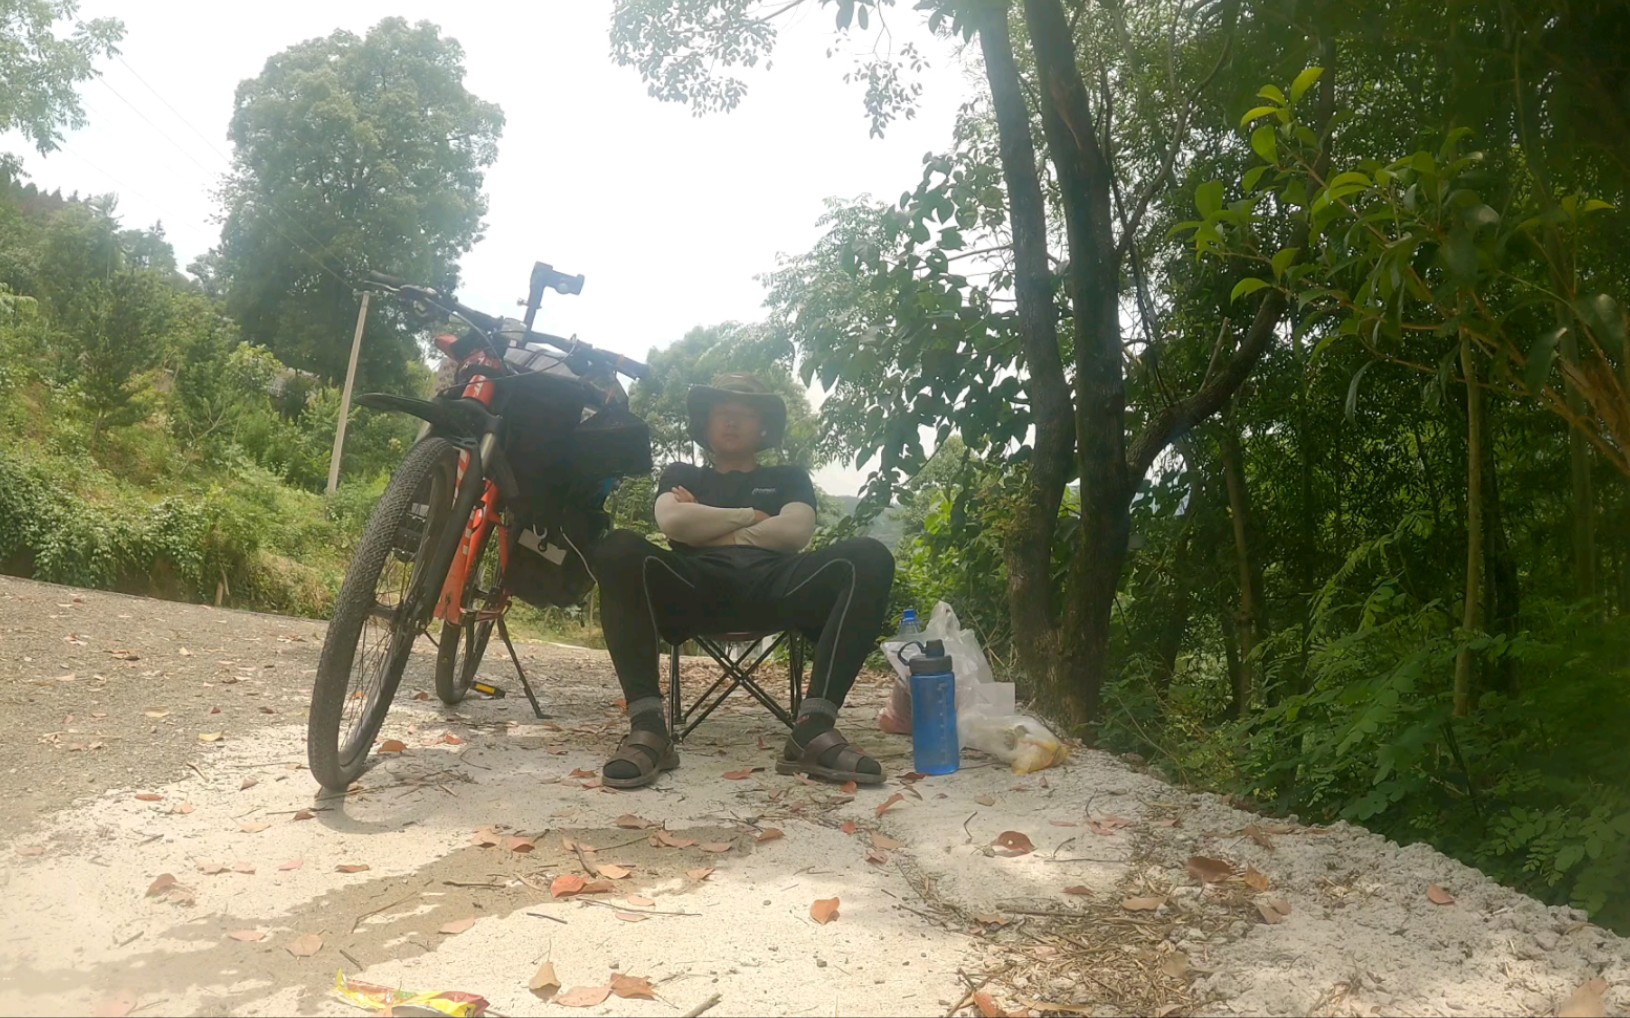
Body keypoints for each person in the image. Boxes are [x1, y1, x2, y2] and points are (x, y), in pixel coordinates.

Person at [590, 373, 895, 789]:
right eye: (721, 412)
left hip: (776, 586)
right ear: (706, 424)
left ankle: (814, 728)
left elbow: (794, 533)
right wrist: (752, 518)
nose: (730, 421)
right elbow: (673, 521)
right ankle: (648, 729)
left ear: (763, 426)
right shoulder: (682, 473)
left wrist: (707, 523)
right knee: (618, 549)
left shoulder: (789, 476)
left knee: (869, 557)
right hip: (694, 587)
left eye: (743, 413)